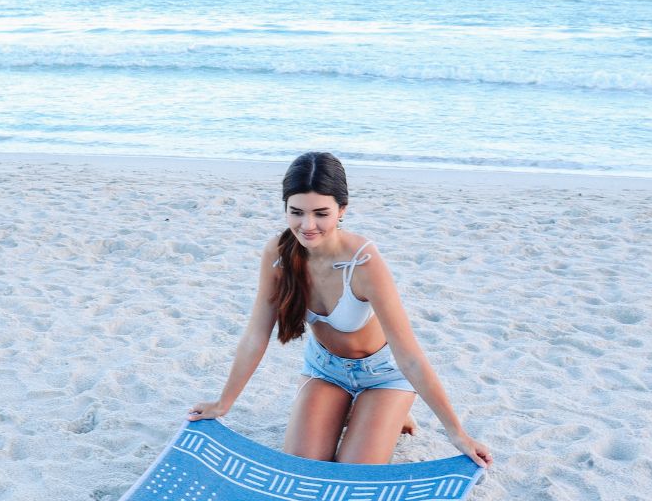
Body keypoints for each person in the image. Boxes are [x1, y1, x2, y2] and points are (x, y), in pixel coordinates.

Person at [187, 151, 493, 469]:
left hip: (383, 376)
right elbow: (255, 335)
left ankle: (389, 408)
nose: (307, 226)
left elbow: (410, 356)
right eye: (297, 212)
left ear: (341, 209)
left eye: (321, 213)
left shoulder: (363, 261)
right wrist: (224, 403)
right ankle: (348, 407)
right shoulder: (277, 254)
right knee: (304, 467)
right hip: (325, 370)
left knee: (353, 471)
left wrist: (457, 434)